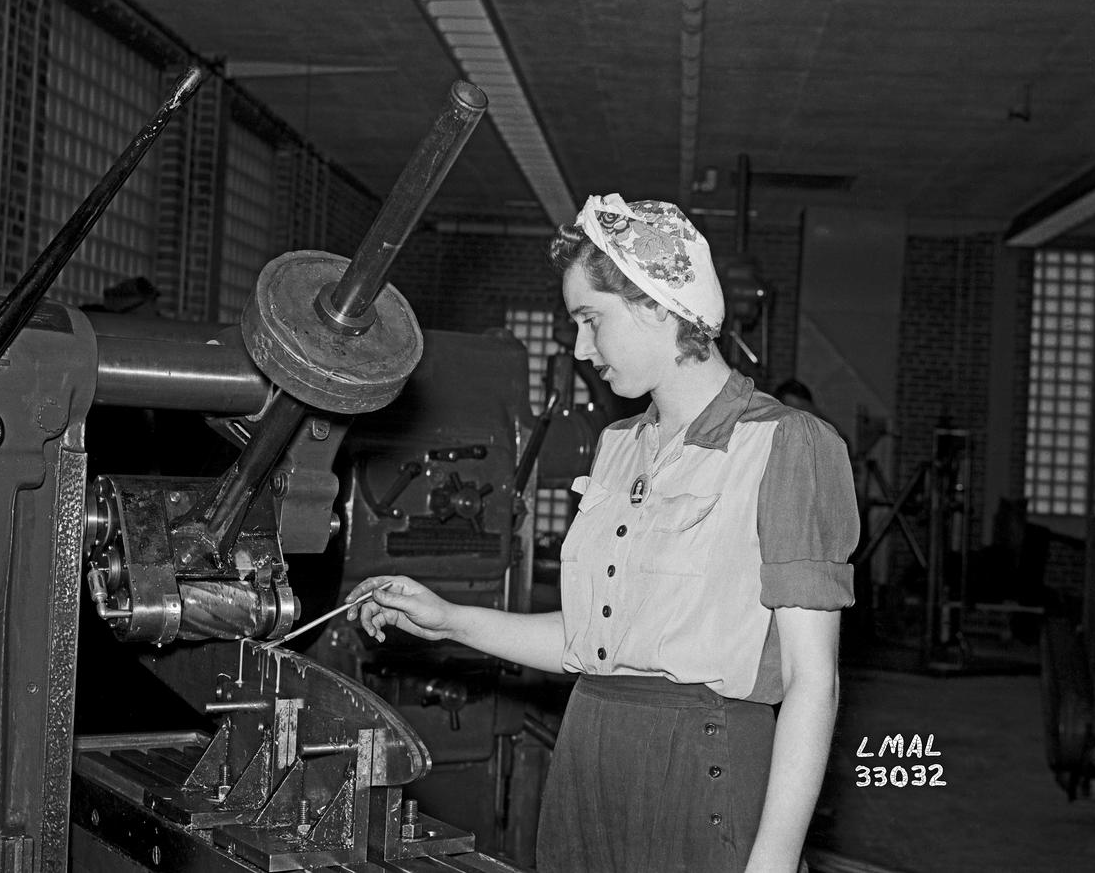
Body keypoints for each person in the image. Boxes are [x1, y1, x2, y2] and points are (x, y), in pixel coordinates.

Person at [346, 193, 858, 873]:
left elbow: (811, 680)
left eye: (591, 321)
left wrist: (773, 861)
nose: (582, 349)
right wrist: (447, 621)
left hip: (698, 766)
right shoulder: (619, 444)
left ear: (654, 305)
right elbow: (592, 643)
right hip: (585, 756)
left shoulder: (787, 445)